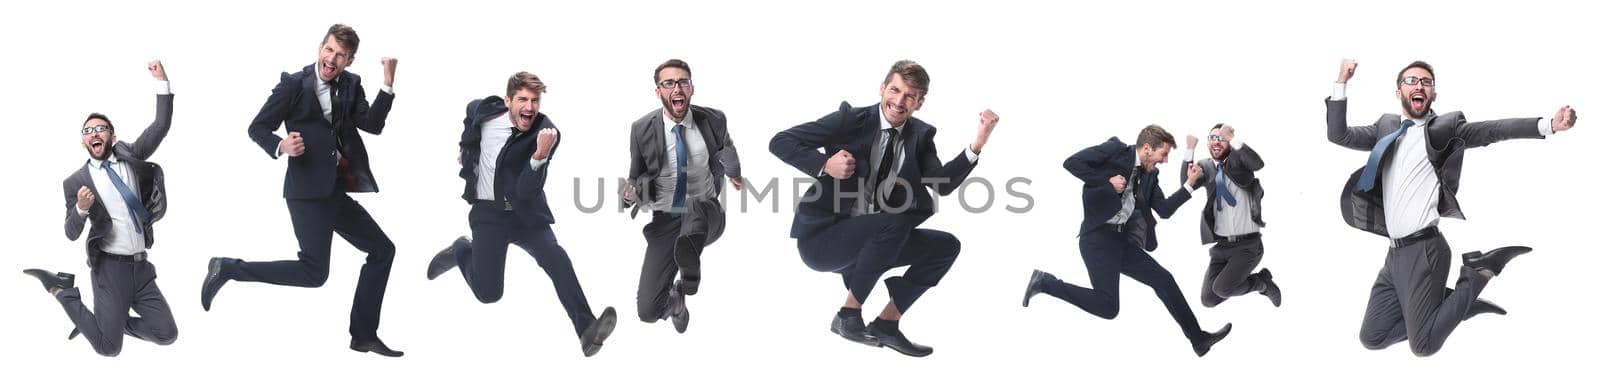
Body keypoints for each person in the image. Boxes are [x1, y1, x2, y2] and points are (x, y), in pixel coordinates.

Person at [1327, 59, 1576, 356]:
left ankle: (1478, 273)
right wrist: (1341, 81)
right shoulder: (1385, 128)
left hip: (1425, 250)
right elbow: (1338, 134)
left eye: (1426, 82)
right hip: (1395, 255)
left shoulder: (1444, 130)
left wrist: (1548, 125)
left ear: (1433, 94)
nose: (1419, 85)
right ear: (1398, 93)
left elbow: (1493, 130)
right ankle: (1457, 306)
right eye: (1411, 81)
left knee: (1424, 346)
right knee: (1373, 337)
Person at [768, 60, 999, 357]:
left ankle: (887, 324)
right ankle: (848, 316)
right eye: (895, 90)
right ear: (882, 88)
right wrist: (825, 165)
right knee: (895, 221)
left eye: (910, 96)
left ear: (920, 102)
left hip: (874, 243)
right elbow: (781, 141)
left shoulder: (921, 136)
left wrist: (978, 142)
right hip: (823, 241)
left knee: (946, 246)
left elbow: (941, 184)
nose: (899, 101)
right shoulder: (850, 120)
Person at [200, 24, 404, 357]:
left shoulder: (351, 84)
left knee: (383, 250)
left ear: (349, 61)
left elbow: (373, 125)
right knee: (314, 272)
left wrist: (388, 83)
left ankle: (364, 334)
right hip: (307, 193)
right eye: (329, 50)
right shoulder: (293, 85)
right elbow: (257, 127)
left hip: (336, 191)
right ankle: (228, 268)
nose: (332, 59)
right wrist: (281, 145)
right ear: (320, 48)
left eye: (340, 55)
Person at [426, 72, 619, 357]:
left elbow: (526, 190)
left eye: (535, 100)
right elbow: (470, 114)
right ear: (507, 101)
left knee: (556, 257)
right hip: (489, 215)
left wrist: (539, 156)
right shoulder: (485, 109)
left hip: (525, 215)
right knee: (489, 294)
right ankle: (461, 248)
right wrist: (466, 148)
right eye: (523, 100)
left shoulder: (547, 133)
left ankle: (586, 329)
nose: (530, 107)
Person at [1022, 125, 1233, 357]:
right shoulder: (1115, 150)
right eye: (1163, 154)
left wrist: (1190, 185)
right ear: (1146, 149)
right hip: (1097, 240)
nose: (1164, 161)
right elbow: (1071, 163)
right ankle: (1045, 282)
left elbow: (1163, 210)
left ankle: (1198, 340)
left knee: (1163, 279)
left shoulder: (1150, 175)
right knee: (1108, 307)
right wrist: (1106, 182)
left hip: (1121, 241)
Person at [24, 60, 178, 357]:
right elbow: (70, 232)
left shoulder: (131, 155)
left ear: (112, 135)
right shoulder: (75, 182)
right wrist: (81, 209)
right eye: (88, 131)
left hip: (142, 267)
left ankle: (98, 323)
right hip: (110, 270)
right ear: (84, 142)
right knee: (109, 348)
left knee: (167, 333)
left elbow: (161, 125)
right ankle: (62, 291)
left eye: (101, 128)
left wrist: (162, 83)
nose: (94, 133)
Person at [620, 59, 743, 333]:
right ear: (658, 92)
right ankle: (677, 301)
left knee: (694, 206)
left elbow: (728, 150)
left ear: (691, 88)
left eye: (683, 82)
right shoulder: (641, 129)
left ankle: (689, 274)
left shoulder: (713, 119)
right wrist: (628, 194)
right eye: (669, 83)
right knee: (648, 311)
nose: (677, 87)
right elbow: (635, 175)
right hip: (665, 219)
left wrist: (734, 173)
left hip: (706, 212)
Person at [1177, 124, 1281, 308]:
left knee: (1222, 289)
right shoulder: (1206, 167)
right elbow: (1186, 184)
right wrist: (1190, 150)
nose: (1216, 142)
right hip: (1222, 246)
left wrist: (1233, 139)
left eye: (1221, 138)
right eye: (1212, 138)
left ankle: (1262, 284)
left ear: (1229, 142)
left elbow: (1258, 163)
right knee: (1209, 299)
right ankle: (1257, 279)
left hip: (1248, 246)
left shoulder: (1239, 160)